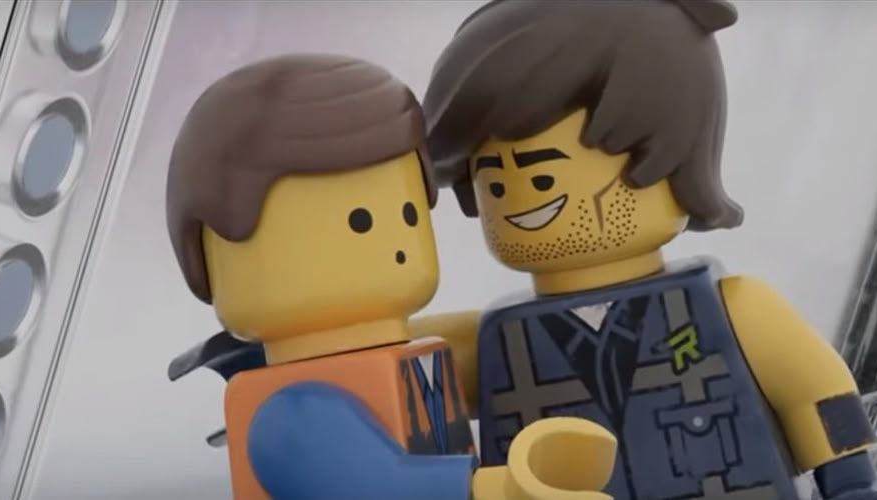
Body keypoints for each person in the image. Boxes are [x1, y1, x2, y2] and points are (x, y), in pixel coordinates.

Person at [417, 1, 877, 499]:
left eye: (542, 177)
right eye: (493, 183)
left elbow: (817, 391)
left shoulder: (736, 310)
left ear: (668, 151)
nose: (520, 200)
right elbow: (391, 378)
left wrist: (849, 482)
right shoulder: (495, 345)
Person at [163, 53, 616, 500]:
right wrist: (502, 487)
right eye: (359, 222)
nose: (396, 240)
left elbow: (506, 369)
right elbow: (374, 482)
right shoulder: (287, 415)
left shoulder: (420, 357)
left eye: (409, 213)